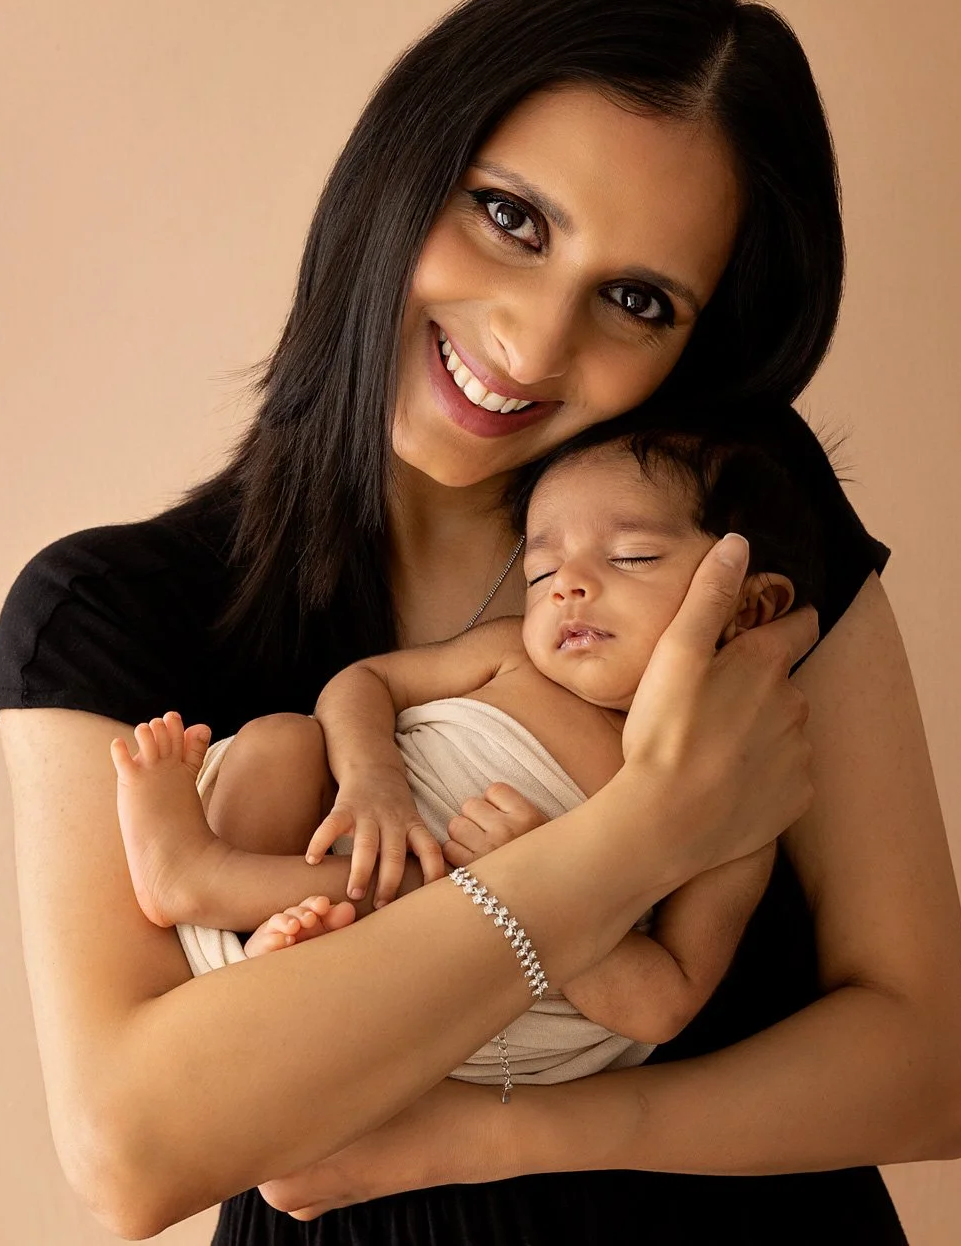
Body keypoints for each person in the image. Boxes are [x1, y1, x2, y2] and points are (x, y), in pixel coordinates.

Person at [0, 0, 961, 1243]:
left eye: (636, 298)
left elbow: (933, 1071)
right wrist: (644, 835)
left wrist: (519, 1129)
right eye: (511, 216)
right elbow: (132, 1151)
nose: (530, 341)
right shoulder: (114, 615)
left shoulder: (731, 534)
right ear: (404, 167)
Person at [112, 411, 831, 1092]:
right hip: (328, 868)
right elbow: (363, 683)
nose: (568, 589)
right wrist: (373, 777)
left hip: (458, 994)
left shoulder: (738, 799)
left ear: (748, 607)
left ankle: (212, 895)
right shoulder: (509, 654)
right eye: (542, 572)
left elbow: (664, 1005)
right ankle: (239, 914)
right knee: (285, 739)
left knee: (442, 897)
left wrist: (534, 879)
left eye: (630, 556)